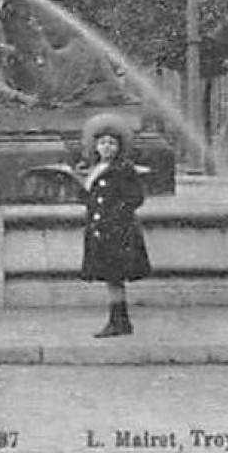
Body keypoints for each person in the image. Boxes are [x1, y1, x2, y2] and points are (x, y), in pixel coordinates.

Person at [79, 113, 151, 338]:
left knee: (115, 277)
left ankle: (119, 320)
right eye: (102, 143)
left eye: (112, 143)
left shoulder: (124, 169)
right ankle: (118, 320)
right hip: (99, 231)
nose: (107, 147)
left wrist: (116, 215)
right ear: (96, 146)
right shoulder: (94, 169)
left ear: (119, 147)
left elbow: (135, 198)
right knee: (110, 278)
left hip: (118, 232)